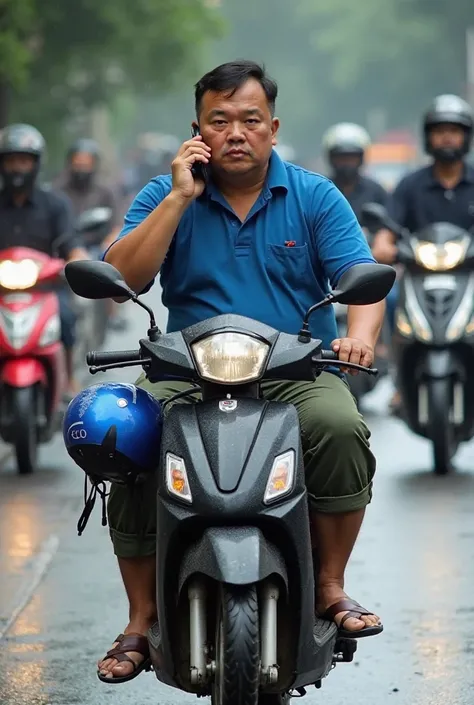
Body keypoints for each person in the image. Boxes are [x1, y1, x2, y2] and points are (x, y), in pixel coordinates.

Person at [97, 60, 385, 683]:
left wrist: (359, 339)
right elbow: (124, 278)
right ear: (196, 129)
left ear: (273, 128)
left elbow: (359, 280)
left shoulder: (314, 195)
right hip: (185, 368)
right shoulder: (164, 193)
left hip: (295, 365)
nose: (236, 133)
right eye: (219, 120)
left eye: (250, 120)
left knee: (339, 425)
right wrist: (178, 196)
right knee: (127, 438)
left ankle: (331, 588)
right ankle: (140, 620)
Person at [372, 94, 474, 412]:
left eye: (454, 130)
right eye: (439, 130)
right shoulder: (409, 185)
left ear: (466, 136)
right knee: (387, 300)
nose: (447, 136)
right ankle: (399, 378)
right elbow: (387, 231)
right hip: (419, 276)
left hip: (468, 276)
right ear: (428, 136)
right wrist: (384, 246)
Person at [0, 124, 87, 397]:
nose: (17, 167)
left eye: (24, 160)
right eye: (12, 160)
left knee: (67, 318)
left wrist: (78, 262)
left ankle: (69, 378)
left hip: (46, 289)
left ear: (36, 164)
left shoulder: (55, 204)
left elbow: (71, 245)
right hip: (2, 291)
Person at [322, 123, 395, 360]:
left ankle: (387, 350)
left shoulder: (375, 190)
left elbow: (389, 224)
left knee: (393, 298)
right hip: (330, 276)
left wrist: (384, 244)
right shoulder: (320, 190)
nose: (347, 163)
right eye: (342, 156)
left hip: (367, 267)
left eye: (351, 156)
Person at [54, 138, 126, 331]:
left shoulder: (105, 191)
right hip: (64, 248)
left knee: (108, 263)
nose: (81, 168)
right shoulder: (57, 191)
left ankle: (112, 312)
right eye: (78, 163)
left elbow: (117, 225)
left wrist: (109, 244)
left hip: (95, 246)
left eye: (86, 164)